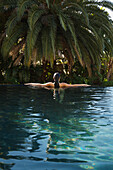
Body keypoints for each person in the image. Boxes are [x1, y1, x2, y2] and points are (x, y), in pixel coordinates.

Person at [25, 72, 90, 89]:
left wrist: (28, 84)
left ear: (53, 78)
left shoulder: (49, 84)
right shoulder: (63, 85)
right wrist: (85, 85)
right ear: (59, 78)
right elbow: (74, 86)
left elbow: (39, 85)